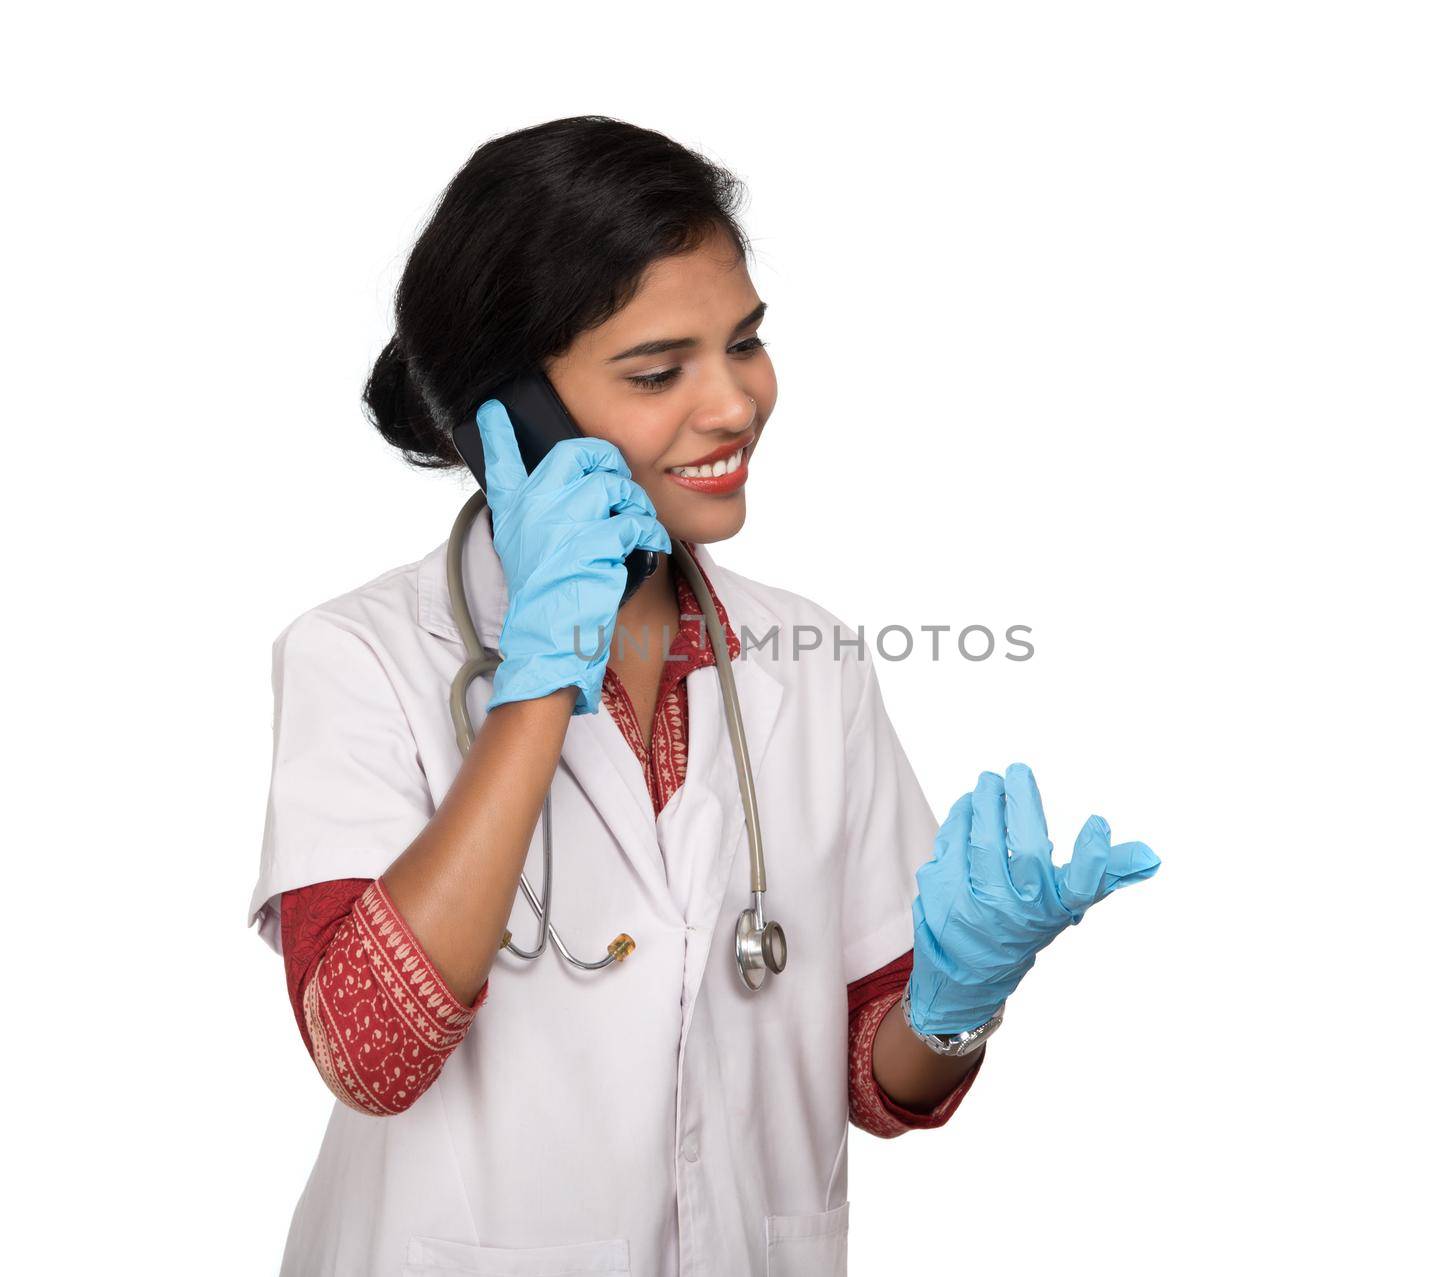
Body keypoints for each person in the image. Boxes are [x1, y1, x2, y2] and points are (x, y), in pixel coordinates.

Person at [246, 115, 1160, 1277]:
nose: (734, 404)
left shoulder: (805, 654)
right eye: (657, 370)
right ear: (510, 414)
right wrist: (537, 683)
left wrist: (955, 1000)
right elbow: (370, 1055)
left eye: (745, 343)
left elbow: (874, 1082)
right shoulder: (361, 655)